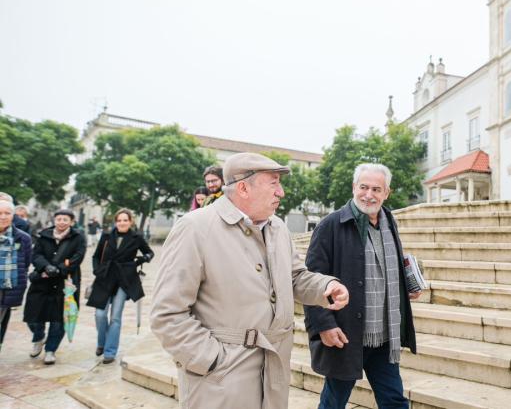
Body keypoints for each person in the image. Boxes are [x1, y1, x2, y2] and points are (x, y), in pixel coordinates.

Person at [151, 152, 350, 409]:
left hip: (273, 376)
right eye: (274, 183)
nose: (281, 192)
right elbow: (167, 314)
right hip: (219, 383)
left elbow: (295, 277)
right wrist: (213, 361)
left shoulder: (278, 228)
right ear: (243, 188)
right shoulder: (195, 227)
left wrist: (325, 286)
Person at [304, 163, 420, 409]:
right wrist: (324, 325)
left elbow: (386, 266)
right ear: (354, 187)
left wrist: (405, 286)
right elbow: (311, 280)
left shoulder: (389, 222)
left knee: (394, 400)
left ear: (386, 193)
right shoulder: (331, 225)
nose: (369, 195)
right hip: (346, 333)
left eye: (376, 189)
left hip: (385, 335)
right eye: (364, 187)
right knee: (334, 402)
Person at [87, 208, 153, 364]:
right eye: (119, 220)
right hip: (105, 278)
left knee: (115, 317)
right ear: (115, 222)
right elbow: (96, 256)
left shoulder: (137, 237)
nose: (122, 223)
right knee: (100, 315)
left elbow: (149, 253)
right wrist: (97, 270)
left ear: (130, 222)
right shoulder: (106, 236)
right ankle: (102, 342)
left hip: (124, 279)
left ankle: (110, 351)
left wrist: (141, 259)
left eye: (125, 220)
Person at [24, 209, 86, 365]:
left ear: (71, 222)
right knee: (33, 315)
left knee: (58, 319)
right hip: (42, 279)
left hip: (65, 283)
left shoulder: (78, 237)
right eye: (59, 219)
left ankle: (50, 350)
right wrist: (46, 267)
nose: (62, 222)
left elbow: (78, 257)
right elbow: (36, 255)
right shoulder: (43, 235)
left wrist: (59, 269)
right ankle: (39, 337)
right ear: (54, 220)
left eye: (65, 219)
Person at [0, 199, 32, 353]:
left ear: (13, 215)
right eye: (0, 213)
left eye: (7, 213)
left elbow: (25, 264)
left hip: (6, 288)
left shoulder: (23, 238)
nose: (3, 217)